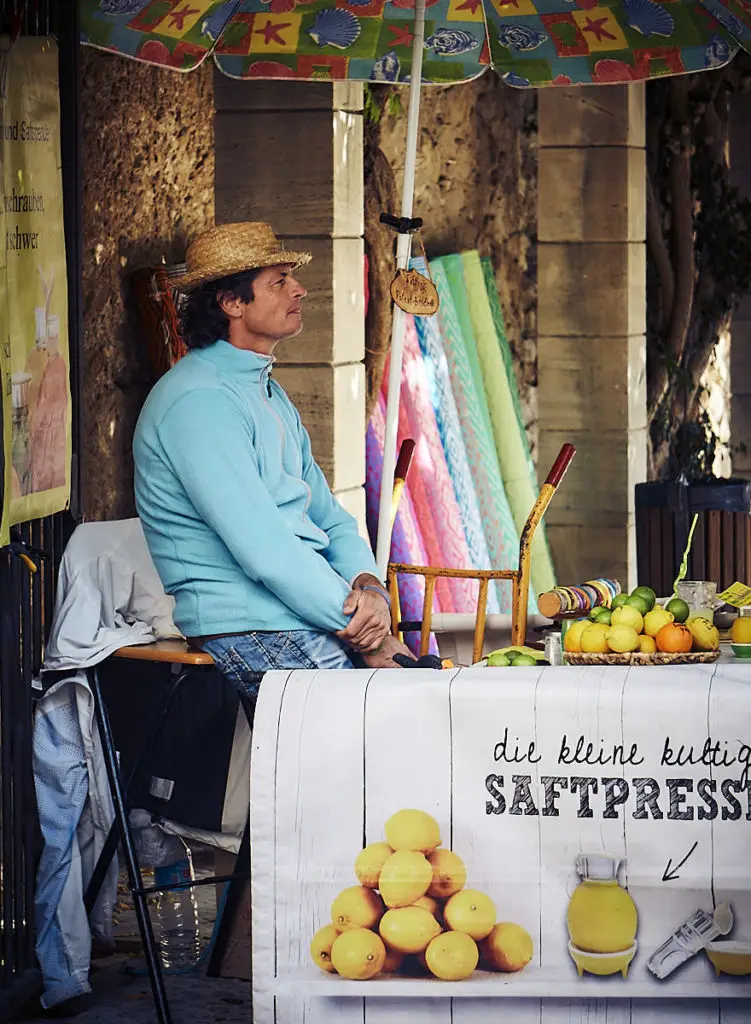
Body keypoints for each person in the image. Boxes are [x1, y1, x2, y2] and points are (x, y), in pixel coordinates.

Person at [134, 222, 414, 697]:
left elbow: (327, 515)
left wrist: (370, 586)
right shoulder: (198, 402)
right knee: (389, 723)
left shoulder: (265, 392)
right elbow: (263, 550)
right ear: (232, 303)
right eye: (279, 281)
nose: (299, 289)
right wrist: (362, 628)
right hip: (250, 625)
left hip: (304, 613)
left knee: (422, 695)